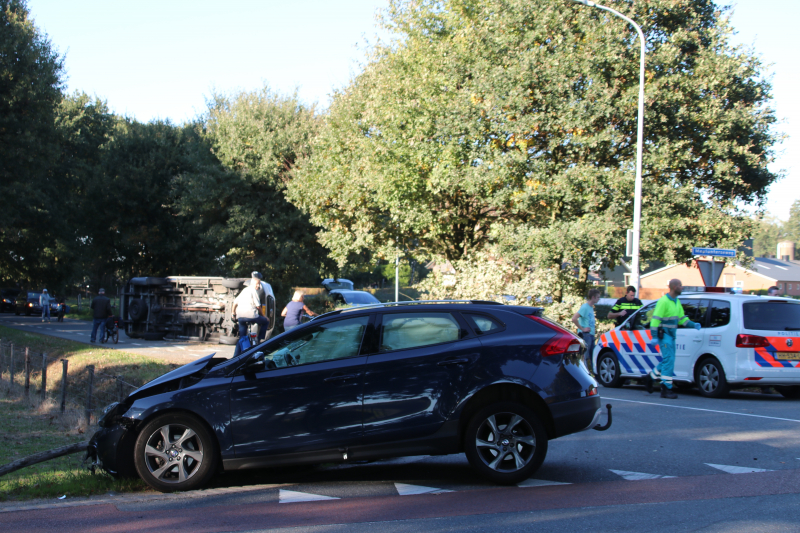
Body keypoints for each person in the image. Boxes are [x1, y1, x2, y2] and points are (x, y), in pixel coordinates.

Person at [643, 279, 702, 399]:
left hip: (671, 336)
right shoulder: (663, 302)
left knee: (668, 360)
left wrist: (692, 324)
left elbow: (681, 319)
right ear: (674, 287)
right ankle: (666, 389)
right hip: (664, 335)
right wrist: (654, 336)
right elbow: (655, 320)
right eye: (680, 285)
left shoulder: (676, 302)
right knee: (669, 360)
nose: (682, 287)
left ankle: (649, 378)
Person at [232, 272, 270, 344]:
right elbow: (258, 306)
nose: (258, 286)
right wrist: (264, 316)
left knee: (242, 337)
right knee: (266, 321)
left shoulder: (244, 290)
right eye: (257, 284)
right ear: (252, 284)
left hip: (240, 317)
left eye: (259, 284)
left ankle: (238, 352)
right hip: (251, 316)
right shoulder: (253, 290)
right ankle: (260, 340)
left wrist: (233, 313)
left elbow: (235, 302)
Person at [572, 289, 601, 374]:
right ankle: (585, 373)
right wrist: (582, 328)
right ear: (593, 297)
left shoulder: (591, 307)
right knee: (585, 356)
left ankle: (592, 373)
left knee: (592, 356)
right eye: (598, 297)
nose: (599, 299)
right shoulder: (585, 307)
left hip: (591, 335)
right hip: (586, 335)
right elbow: (574, 318)